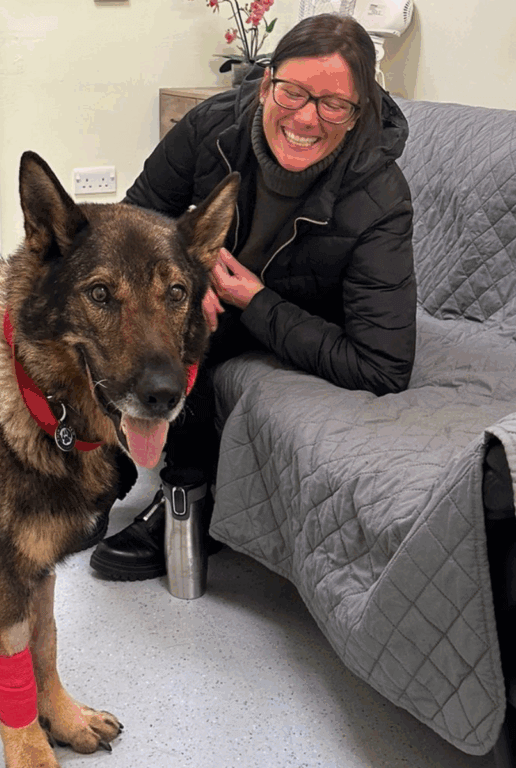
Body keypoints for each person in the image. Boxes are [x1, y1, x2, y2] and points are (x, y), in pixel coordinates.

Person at [89, 13, 417, 580]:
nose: (306, 117)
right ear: (266, 84)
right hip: (213, 294)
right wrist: (189, 274)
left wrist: (257, 301)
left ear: (358, 111)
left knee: (197, 347)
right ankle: (102, 471)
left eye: (333, 104)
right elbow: (131, 218)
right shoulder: (210, 126)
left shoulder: (381, 196)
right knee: (113, 323)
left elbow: (383, 366)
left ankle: (185, 501)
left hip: (296, 318)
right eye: (293, 92)